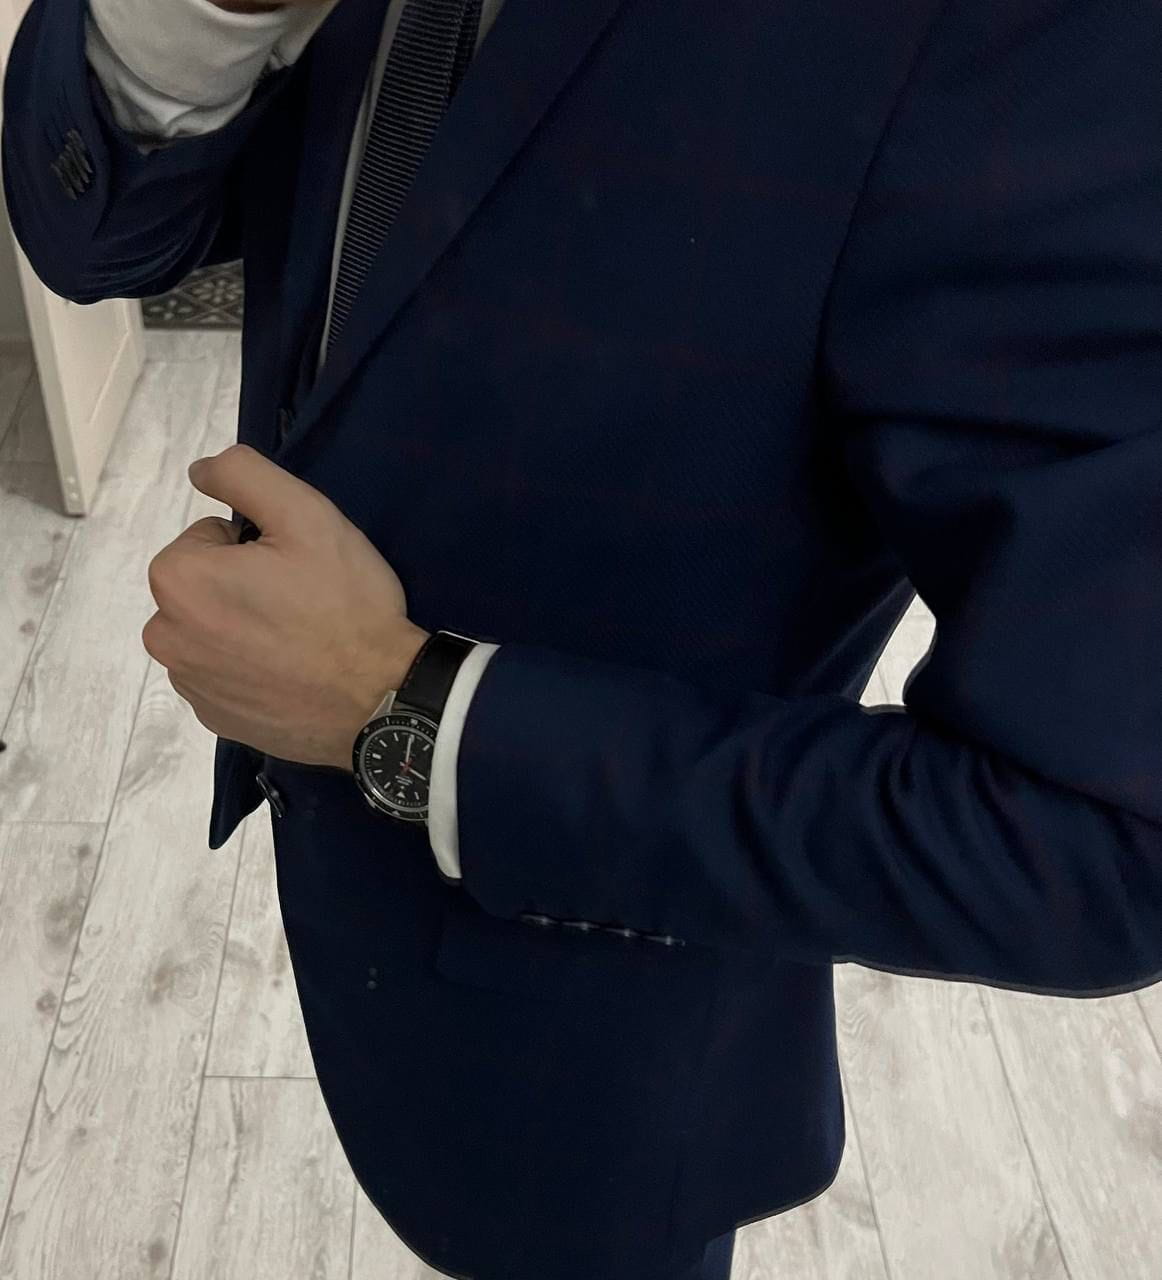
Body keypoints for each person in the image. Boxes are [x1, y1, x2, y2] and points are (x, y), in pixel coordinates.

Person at [3, 0, 1160, 1276]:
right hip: (357, 935)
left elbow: (1103, 841)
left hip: (587, 1036)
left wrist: (407, 711)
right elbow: (100, 228)